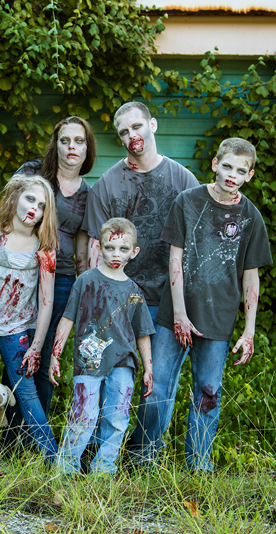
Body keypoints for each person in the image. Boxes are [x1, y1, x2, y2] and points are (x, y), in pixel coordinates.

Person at [80, 101, 199, 464]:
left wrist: (188, 306)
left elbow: (197, 245)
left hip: (168, 303)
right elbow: (94, 250)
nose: (132, 136)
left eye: (137, 127)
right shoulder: (108, 185)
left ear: (153, 125)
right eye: (123, 132)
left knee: (157, 385)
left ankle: (142, 454)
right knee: (105, 379)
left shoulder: (183, 180)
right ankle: (96, 453)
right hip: (121, 301)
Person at [150, 137, 272, 471]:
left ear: (249, 175)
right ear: (216, 164)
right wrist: (178, 315)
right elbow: (175, 260)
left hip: (218, 320)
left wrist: (248, 332)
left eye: (241, 170)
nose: (232, 175)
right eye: (228, 166)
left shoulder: (251, 217)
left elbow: (251, 278)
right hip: (173, 314)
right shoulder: (187, 201)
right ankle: (144, 458)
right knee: (158, 387)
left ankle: (198, 467)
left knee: (208, 393)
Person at [3, 116, 96, 436]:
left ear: (88, 149)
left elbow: (82, 252)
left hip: (62, 282)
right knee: (14, 349)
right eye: (65, 140)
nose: (72, 147)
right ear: (55, 145)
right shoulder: (32, 173)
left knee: (41, 358)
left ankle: (29, 437)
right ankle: (8, 435)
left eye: (79, 141)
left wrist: (85, 293)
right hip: (20, 275)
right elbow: (5, 216)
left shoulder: (89, 195)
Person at [0, 174, 60, 467]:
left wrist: (36, 346)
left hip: (17, 327)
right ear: (15, 197)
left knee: (27, 392)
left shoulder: (44, 248)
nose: (34, 208)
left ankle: (53, 458)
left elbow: (46, 301)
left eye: (41, 205)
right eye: (30, 198)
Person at [49, 218, 155, 474]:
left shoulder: (134, 291)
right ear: (98, 247)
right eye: (109, 247)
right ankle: (66, 468)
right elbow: (68, 318)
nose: (115, 254)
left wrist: (149, 369)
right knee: (83, 416)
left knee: (117, 417)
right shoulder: (86, 281)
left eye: (122, 249)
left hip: (124, 363)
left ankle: (104, 470)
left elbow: (142, 333)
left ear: (134, 252)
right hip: (89, 362)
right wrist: (55, 354)